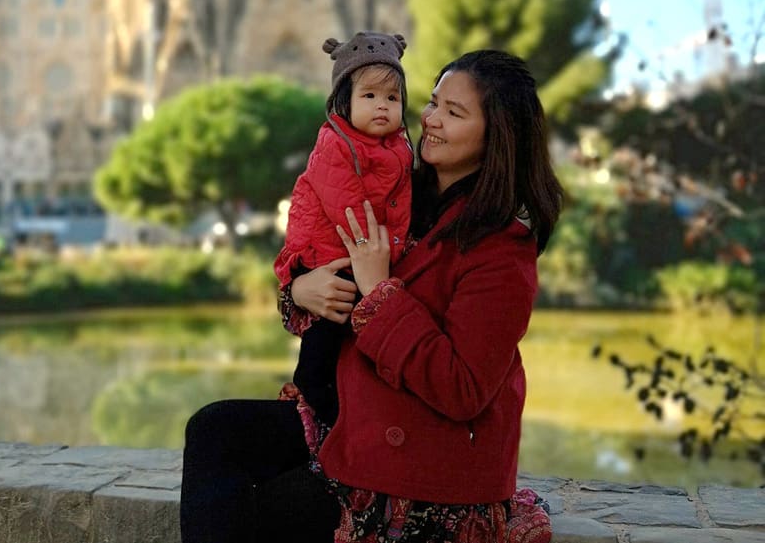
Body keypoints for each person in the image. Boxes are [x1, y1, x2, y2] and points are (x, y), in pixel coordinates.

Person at [180, 49, 562, 543]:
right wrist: (301, 287)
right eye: (432, 102)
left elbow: (463, 388)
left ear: (497, 137)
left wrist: (381, 290)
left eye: (454, 112)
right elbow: (320, 249)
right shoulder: (396, 192)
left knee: (262, 512)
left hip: (425, 457)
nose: (430, 119)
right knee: (214, 430)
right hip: (354, 414)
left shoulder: (501, 247)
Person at [274, 31, 413, 427]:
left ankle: (333, 407)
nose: (383, 107)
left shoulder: (399, 150)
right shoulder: (336, 143)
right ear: (343, 102)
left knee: (344, 331)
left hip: (353, 258)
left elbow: (398, 208)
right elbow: (347, 205)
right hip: (327, 252)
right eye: (369, 97)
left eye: (393, 98)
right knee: (325, 336)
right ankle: (313, 400)